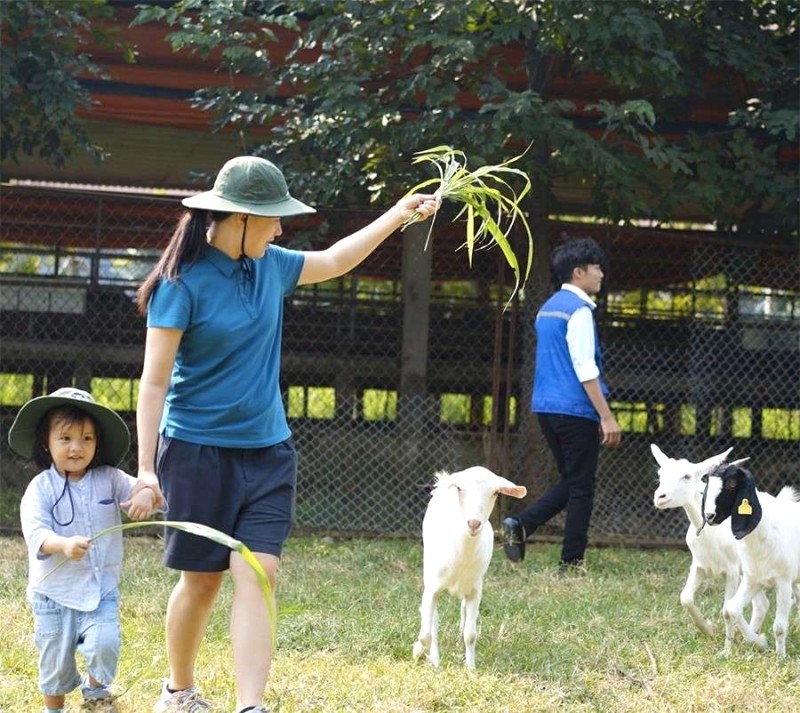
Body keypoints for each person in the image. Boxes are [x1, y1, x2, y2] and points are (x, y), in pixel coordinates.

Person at [130, 155, 438, 713]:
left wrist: (398, 213)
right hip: (196, 451)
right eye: (272, 218)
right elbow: (153, 384)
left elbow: (337, 259)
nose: (279, 228)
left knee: (258, 570)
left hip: (268, 451)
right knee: (202, 582)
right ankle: (178, 691)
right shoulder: (181, 285)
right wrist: (147, 468)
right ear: (240, 218)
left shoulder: (269, 265)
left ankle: (252, 706)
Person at [10, 387, 159, 713]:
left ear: (97, 444)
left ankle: (96, 694)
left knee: (105, 643)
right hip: (53, 595)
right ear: (45, 444)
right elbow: (36, 534)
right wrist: (62, 544)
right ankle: (55, 709)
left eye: (87, 439)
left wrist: (146, 494)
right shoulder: (41, 488)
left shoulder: (109, 478)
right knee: (56, 664)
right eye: (65, 438)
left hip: (99, 589)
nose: (76, 447)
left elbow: (146, 489)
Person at [502, 237, 622, 573]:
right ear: (579, 272)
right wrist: (606, 416)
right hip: (575, 409)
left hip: (546, 409)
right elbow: (585, 368)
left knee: (573, 480)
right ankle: (571, 563)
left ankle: (522, 525)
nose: (601, 274)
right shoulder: (579, 311)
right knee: (581, 488)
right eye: (596, 268)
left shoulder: (547, 308)